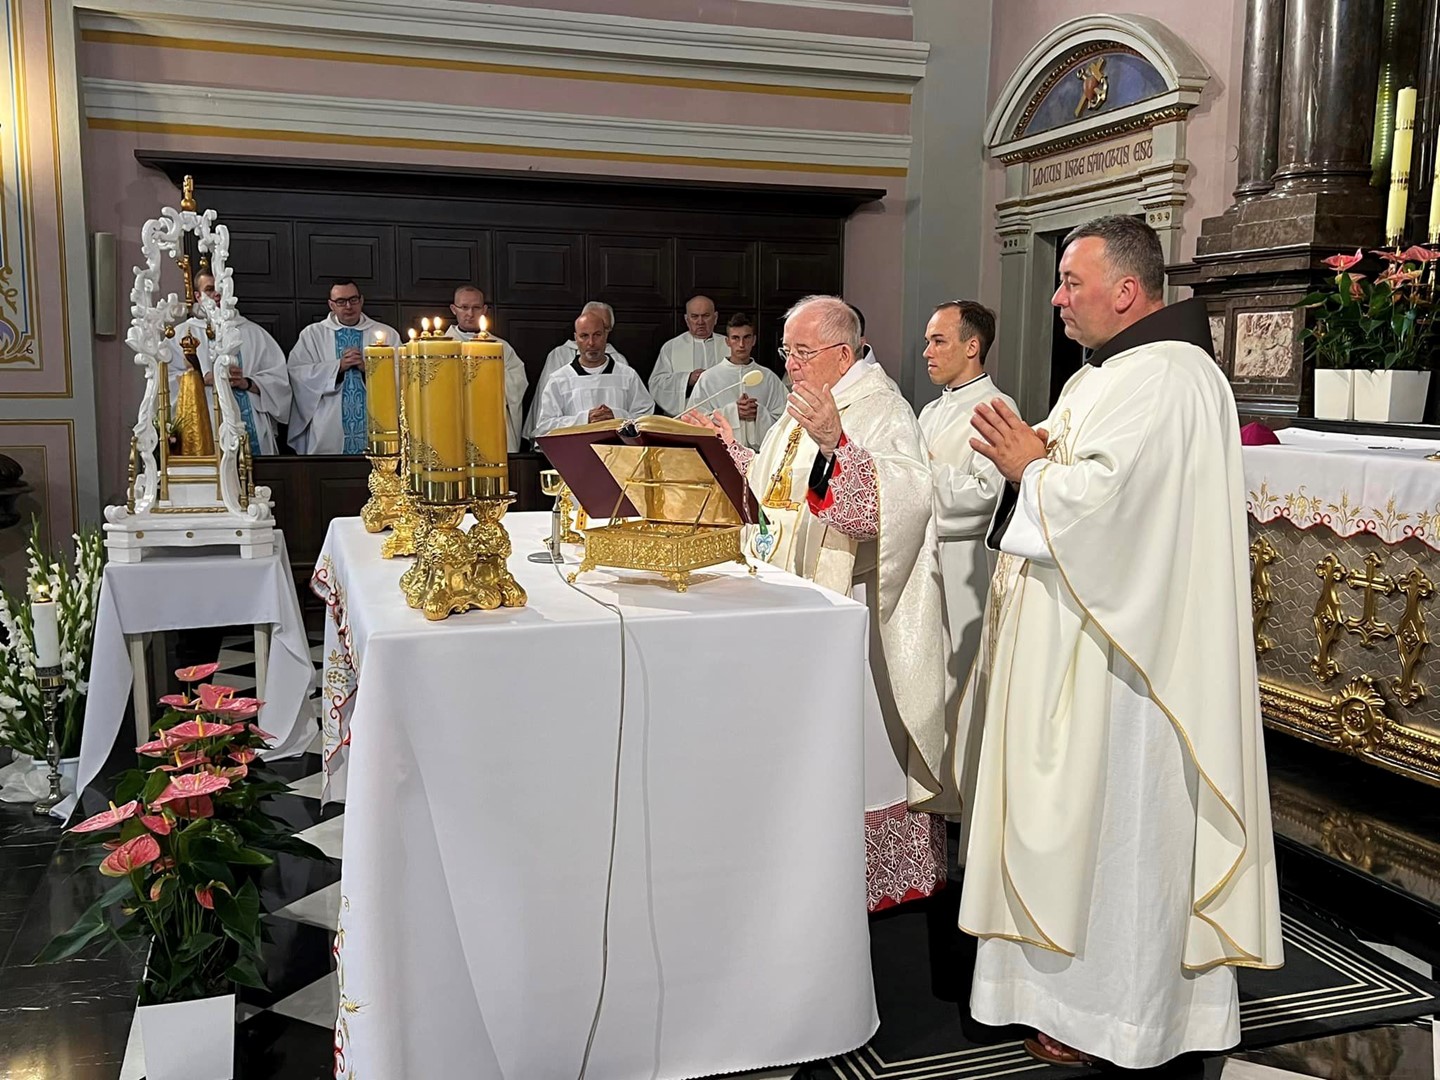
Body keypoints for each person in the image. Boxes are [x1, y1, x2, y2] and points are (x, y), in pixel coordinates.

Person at [958, 216, 1282, 1069]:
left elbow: (1111, 510)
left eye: (1070, 281)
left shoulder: (1169, 379)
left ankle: (1122, 1019)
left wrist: (1032, 469)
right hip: (1090, 641)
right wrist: (1035, 465)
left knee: (1119, 835)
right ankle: (1072, 1003)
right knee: (1082, 831)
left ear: (1127, 291)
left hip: (1129, 665)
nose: (1057, 299)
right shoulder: (1116, 374)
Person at [684, 295, 948, 912]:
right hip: (798, 606)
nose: (791, 363)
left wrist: (837, 444)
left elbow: (893, 509)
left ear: (842, 352)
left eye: (802, 352)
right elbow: (778, 494)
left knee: (857, 752)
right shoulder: (805, 405)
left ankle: (871, 878)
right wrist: (730, 449)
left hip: (851, 613)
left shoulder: (881, 409)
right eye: (788, 351)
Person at [916, 301, 1014, 720]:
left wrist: (922, 474)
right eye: (927, 342)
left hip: (963, 566)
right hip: (924, 558)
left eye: (938, 341)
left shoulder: (995, 409)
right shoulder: (931, 410)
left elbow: (986, 497)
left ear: (972, 346)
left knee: (959, 686)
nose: (926, 352)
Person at [168, 270, 292, 457]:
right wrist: (198, 380)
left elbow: (279, 381)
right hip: (202, 423)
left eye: (221, 289)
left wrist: (247, 382)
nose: (217, 294)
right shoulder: (181, 334)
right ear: (197, 296)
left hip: (249, 426)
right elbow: (164, 380)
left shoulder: (253, 333)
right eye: (209, 289)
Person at [287, 280, 400, 455]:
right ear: (331, 305)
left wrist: (369, 369)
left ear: (361, 301)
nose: (348, 306)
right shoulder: (313, 334)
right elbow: (297, 375)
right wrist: (337, 367)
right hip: (328, 427)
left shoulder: (387, 334)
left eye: (353, 300)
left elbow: (404, 376)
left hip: (378, 424)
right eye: (341, 301)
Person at [531, 309, 654, 435]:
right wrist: (585, 419)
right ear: (575, 338)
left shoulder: (628, 376)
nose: (591, 343)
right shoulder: (559, 379)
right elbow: (545, 427)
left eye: (597, 335)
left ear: (606, 335)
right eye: (584, 336)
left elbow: (647, 419)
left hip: (619, 451)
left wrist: (616, 416)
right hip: (576, 452)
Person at [445, 285, 528, 453]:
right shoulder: (440, 348)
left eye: (476, 308)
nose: (470, 313)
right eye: (464, 307)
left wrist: (482, 380)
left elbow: (517, 385)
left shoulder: (501, 347)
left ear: (484, 310)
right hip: (452, 424)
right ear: (454, 309)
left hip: (491, 422)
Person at [688, 313, 786, 451]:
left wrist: (759, 413)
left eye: (746, 337)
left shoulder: (769, 378)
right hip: (722, 452)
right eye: (735, 338)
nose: (741, 344)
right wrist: (733, 412)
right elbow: (694, 421)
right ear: (727, 341)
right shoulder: (709, 378)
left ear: (754, 340)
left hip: (761, 454)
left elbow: (785, 419)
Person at [650, 294, 726, 415]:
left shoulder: (729, 345)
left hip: (721, 416)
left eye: (706, 316)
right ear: (686, 319)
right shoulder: (672, 347)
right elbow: (657, 383)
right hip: (685, 417)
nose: (700, 322)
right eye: (695, 316)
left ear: (715, 317)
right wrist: (687, 379)